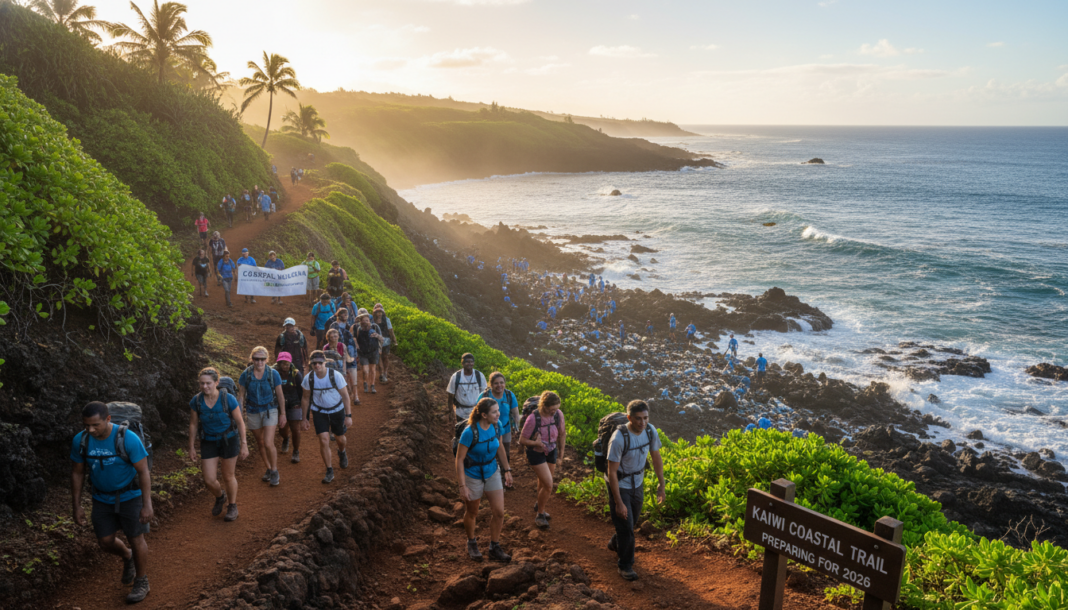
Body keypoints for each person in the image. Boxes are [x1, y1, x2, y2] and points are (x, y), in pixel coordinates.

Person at [70, 401, 153, 604]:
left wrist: (147, 503)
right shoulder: (81, 440)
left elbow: (143, 471)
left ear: (108, 419)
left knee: (136, 537)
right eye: (86, 425)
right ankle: (127, 556)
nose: (90, 429)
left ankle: (142, 581)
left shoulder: (127, 438)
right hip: (101, 498)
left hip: (130, 496)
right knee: (105, 541)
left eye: (95, 425)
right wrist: (77, 505)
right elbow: (77, 472)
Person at [605, 400, 665, 581]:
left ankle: (616, 542)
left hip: (637, 483)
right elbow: (612, 473)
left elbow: (656, 458)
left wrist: (661, 485)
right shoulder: (618, 438)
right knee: (626, 527)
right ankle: (625, 565)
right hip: (620, 485)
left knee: (630, 523)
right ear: (629, 417)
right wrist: (619, 502)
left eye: (646, 418)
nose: (643, 422)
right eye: (638, 419)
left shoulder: (650, 431)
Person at [455, 397, 513, 562]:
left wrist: (507, 469)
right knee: (473, 512)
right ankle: (472, 542)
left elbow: (500, 446)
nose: (498, 414)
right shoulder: (469, 432)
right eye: (494, 412)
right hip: (472, 474)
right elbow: (459, 459)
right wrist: (462, 486)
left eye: (498, 411)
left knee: (499, 513)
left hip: (492, 470)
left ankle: (494, 546)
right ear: (484, 415)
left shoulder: (497, 426)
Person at [188, 368, 249, 522]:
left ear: (216, 382)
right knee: (209, 479)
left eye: (208, 383)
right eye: (202, 383)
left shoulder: (228, 398)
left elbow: (240, 422)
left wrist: (244, 443)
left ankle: (232, 505)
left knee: (228, 476)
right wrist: (191, 447)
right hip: (208, 440)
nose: (205, 386)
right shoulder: (196, 401)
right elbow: (193, 425)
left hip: (229, 439)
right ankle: (220, 496)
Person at [300, 350, 353, 484]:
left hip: (337, 410)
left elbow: (346, 396)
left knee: (340, 438)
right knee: (323, 440)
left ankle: (342, 452)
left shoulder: (335, 376)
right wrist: (304, 418)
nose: (317, 366)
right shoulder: (309, 378)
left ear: (325, 363)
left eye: (319, 363)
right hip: (319, 412)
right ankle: (329, 470)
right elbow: (305, 398)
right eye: (314, 364)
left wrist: (348, 415)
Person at [238, 346, 286, 487]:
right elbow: (241, 396)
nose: (259, 362)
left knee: (268, 442)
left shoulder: (273, 374)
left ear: (267, 359)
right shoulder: (246, 375)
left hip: (270, 409)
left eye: (262, 359)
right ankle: (269, 468)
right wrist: (239, 415)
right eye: (256, 359)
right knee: (260, 442)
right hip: (253, 410)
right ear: (252, 359)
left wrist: (283, 413)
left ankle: (275, 470)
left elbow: (280, 395)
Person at [518, 391, 565, 529]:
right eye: (552, 409)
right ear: (544, 406)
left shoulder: (558, 414)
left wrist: (561, 456)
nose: (554, 412)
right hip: (535, 452)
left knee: (544, 481)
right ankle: (540, 514)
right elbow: (522, 440)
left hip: (551, 450)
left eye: (556, 408)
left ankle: (540, 504)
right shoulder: (533, 418)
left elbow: (562, 434)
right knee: (549, 485)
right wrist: (536, 443)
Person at [477, 372, 519, 470]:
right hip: (488, 429)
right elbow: (477, 412)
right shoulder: (485, 395)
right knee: (489, 451)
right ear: (491, 384)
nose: (499, 385)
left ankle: (505, 472)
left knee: (505, 451)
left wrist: (516, 429)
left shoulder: (509, 395)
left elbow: (515, 413)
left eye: (501, 382)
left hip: (505, 429)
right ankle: (489, 472)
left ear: (505, 383)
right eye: (496, 383)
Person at [274, 352, 304, 463]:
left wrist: (302, 406)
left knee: (295, 428)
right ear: (278, 363)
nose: (285, 366)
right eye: (282, 363)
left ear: (291, 363)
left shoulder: (296, 374)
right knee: (282, 428)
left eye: (287, 363)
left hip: (294, 401)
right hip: (279, 402)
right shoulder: (273, 373)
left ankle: (296, 451)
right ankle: (286, 438)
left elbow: (301, 391)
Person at [330, 308, 361, 405]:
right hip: (338, 353)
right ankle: (345, 396)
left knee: (352, 373)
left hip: (350, 352)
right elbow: (330, 338)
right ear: (339, 315)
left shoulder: (349, 325)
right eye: (343, 314)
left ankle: (355, 396)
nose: (345, 316)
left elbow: (353, 339)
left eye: (346, 314)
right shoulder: (334, 325)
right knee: (342, 376)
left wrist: (355, 354)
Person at [446, 353, 486, 424]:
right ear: (462, 363)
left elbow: (485, 394)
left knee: (475, 432)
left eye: (471, 361)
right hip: (460, 413)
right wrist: (450, 411)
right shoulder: (456, 377)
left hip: (476, 412)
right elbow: (450, 395)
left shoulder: (479, 376)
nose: (469, 363)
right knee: (461, 432)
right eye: (467, 361)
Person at [355, 311, 382, 395]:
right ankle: (365, 383)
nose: (366, 322)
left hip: (374, 351)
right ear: (361, 322)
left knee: (373, 370)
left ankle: (372, 386)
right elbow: (355, 338)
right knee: (365, 370)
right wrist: (357, 348)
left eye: (367, 320)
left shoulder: (375, 327)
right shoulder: (358, 329)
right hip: (363, 353)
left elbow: (382, 339)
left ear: (369, 321)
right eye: (364, 321)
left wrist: (377, 336)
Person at [372, 304, 397, 384]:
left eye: (380, 312)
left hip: (386, 341)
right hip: (376, 341)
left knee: (385, 357)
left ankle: (385, 372)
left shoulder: (386, 320)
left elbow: (391, 330)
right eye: (377, 312)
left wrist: (394, 340)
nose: (379, 313)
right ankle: (382, 373)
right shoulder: (372, 320)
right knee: (379, 357)